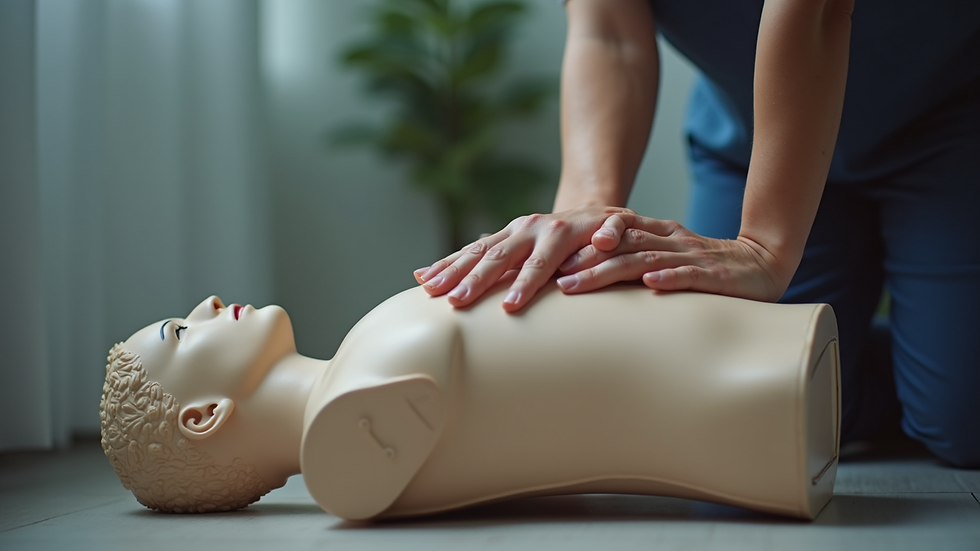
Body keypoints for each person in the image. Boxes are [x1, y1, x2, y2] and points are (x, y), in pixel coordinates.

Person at [413, 0, 980, 467]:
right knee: (757, 409)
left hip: (950, 123)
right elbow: (609, 32)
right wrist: (584, 221)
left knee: (965, 426)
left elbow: (816, 11)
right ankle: (908, 353)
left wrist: (763, 246)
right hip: (754, 141)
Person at [101, 283, 839, 519]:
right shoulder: (344, 446)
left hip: (739, 358)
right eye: (181, 330)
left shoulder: (356, 370)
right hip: (737, 402)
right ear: (203, 416)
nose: (205, 302)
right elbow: (420, 386)